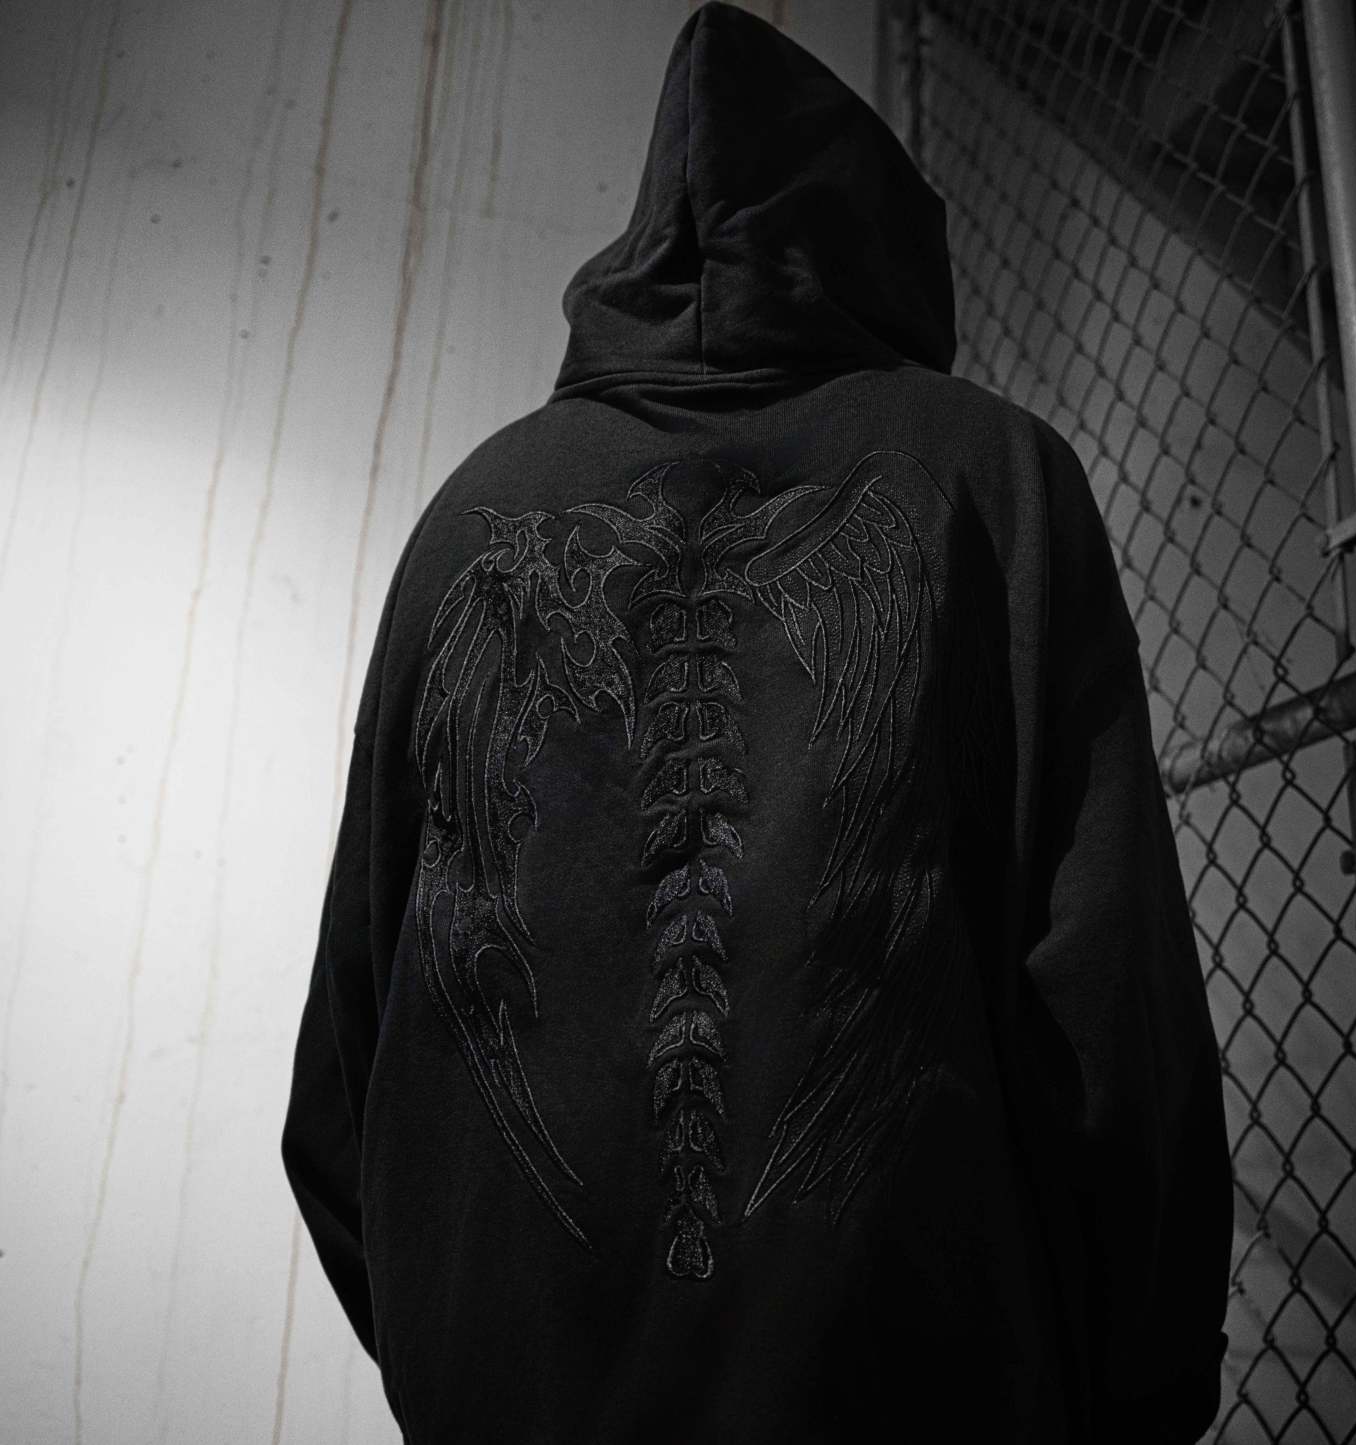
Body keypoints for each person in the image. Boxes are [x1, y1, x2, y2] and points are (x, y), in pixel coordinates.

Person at [280, 4, 1232, 1441]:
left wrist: (465, 1360)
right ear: (887, 243)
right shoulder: (994, 482)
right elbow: (1114, 1018)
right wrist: (1140, 1392)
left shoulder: (474, 513)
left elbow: (347, 1058)